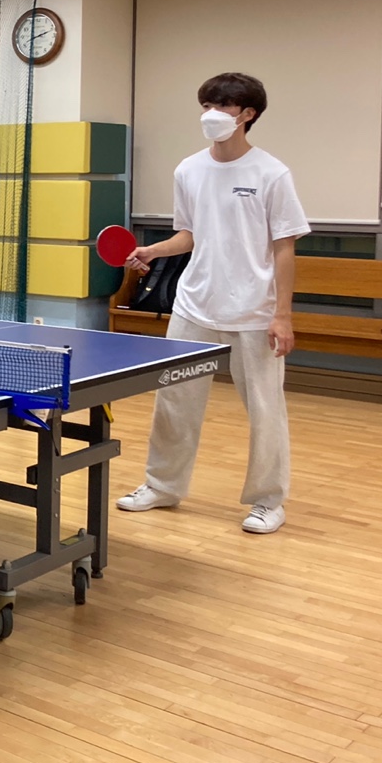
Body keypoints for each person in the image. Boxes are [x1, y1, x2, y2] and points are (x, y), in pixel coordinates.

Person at [117, 72, 308, 534]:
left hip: (254, 312)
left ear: (248, 114)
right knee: (174, 403)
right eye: (206, 105)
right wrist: (153, 250)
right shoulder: (188, 169)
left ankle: (268, 501)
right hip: (194, 306)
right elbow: (190, 233)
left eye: (222, 106)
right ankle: (162, 486)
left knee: (265, 410)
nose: (211, 115)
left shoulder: (271, 173)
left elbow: (285, 247)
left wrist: (282, 315)